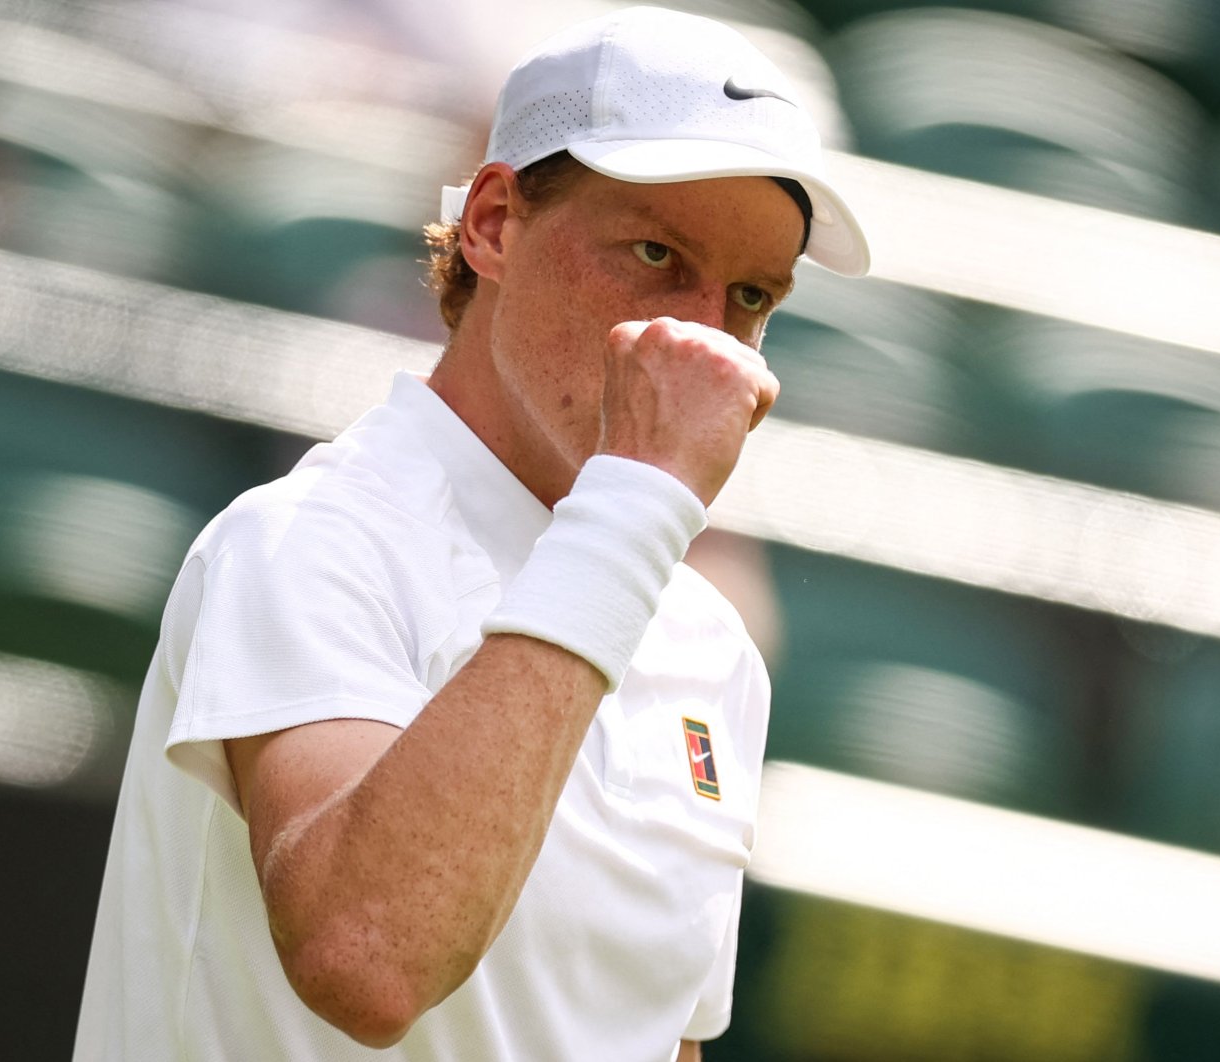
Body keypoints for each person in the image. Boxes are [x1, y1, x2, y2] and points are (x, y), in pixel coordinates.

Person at [73, 7, 869, 1060]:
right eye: (654, 252)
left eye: (753, 296)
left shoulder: (711, 650)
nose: (704, 341)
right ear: (494, 223)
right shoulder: (302, 542)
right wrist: (636, 501)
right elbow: (367, 962)